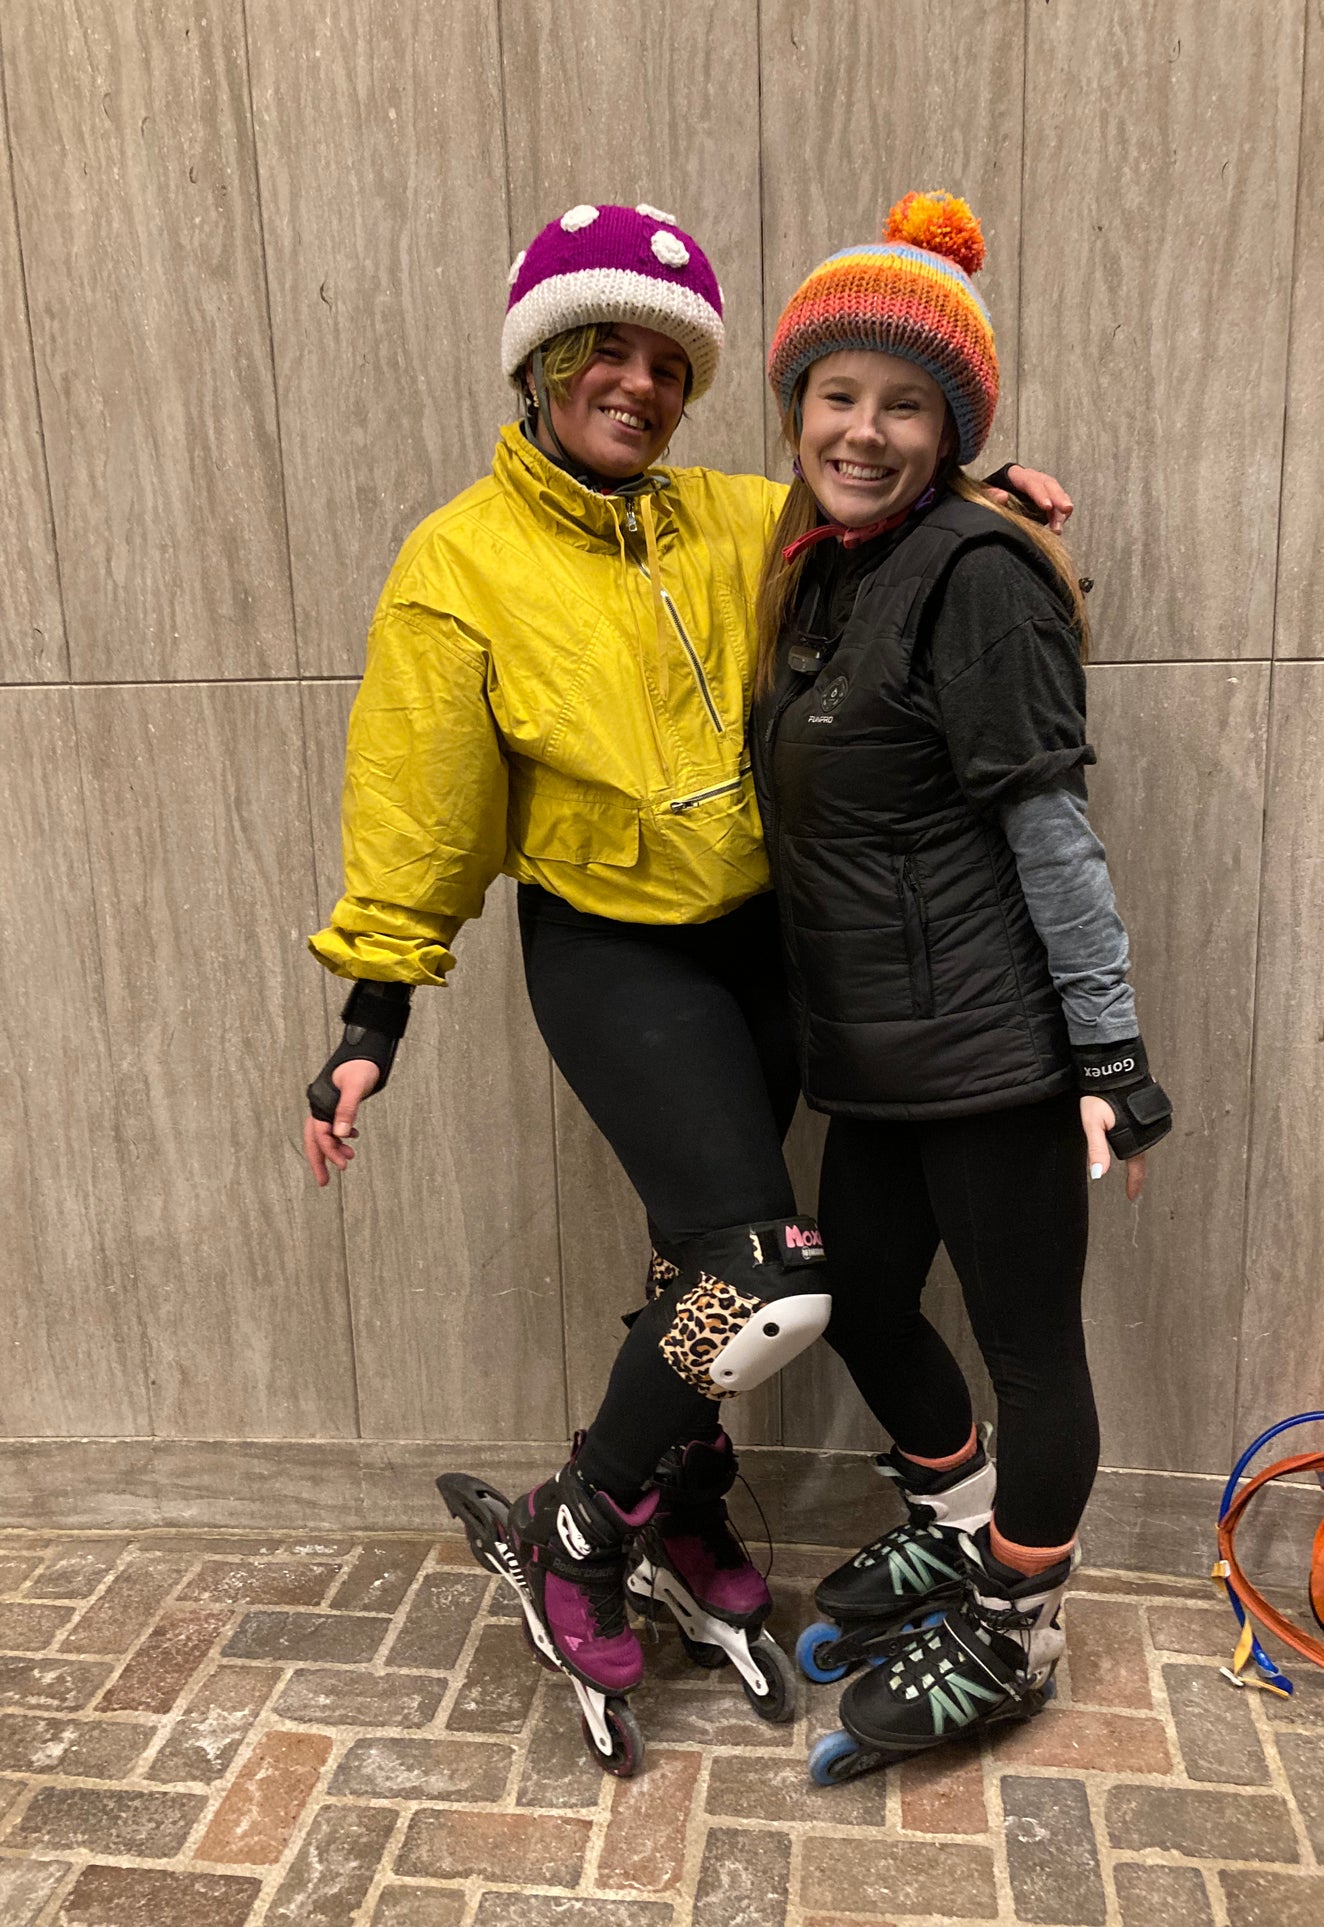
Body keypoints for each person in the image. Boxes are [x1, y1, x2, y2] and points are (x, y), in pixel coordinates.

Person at [301, 200, 1072, 1756]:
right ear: (539, 362)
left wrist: (981, 493)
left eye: (666, 362)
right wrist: (371, 1010)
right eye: (603, 350)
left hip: (766, 951)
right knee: (769, 1273)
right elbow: (420, 799)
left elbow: (874, 495)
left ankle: (682, 1494)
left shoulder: (733, 516)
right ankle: (577, 1525)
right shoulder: (462, 562)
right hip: (611, 953)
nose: (636, 385)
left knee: (701, 1273)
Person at [749, 191, 1172, 1781]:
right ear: (795, 410)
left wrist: (1109, 1057)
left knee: (1027, 1343)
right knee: (858, 1295)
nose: (862, 428)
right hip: (874, 1047)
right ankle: (959, 1520)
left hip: (991, 1051)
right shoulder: (837, 567)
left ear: (953, 426)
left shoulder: (974, 576)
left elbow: (1051, 837)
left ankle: (1022, 1620)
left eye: (905, 403)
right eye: (837, 395)